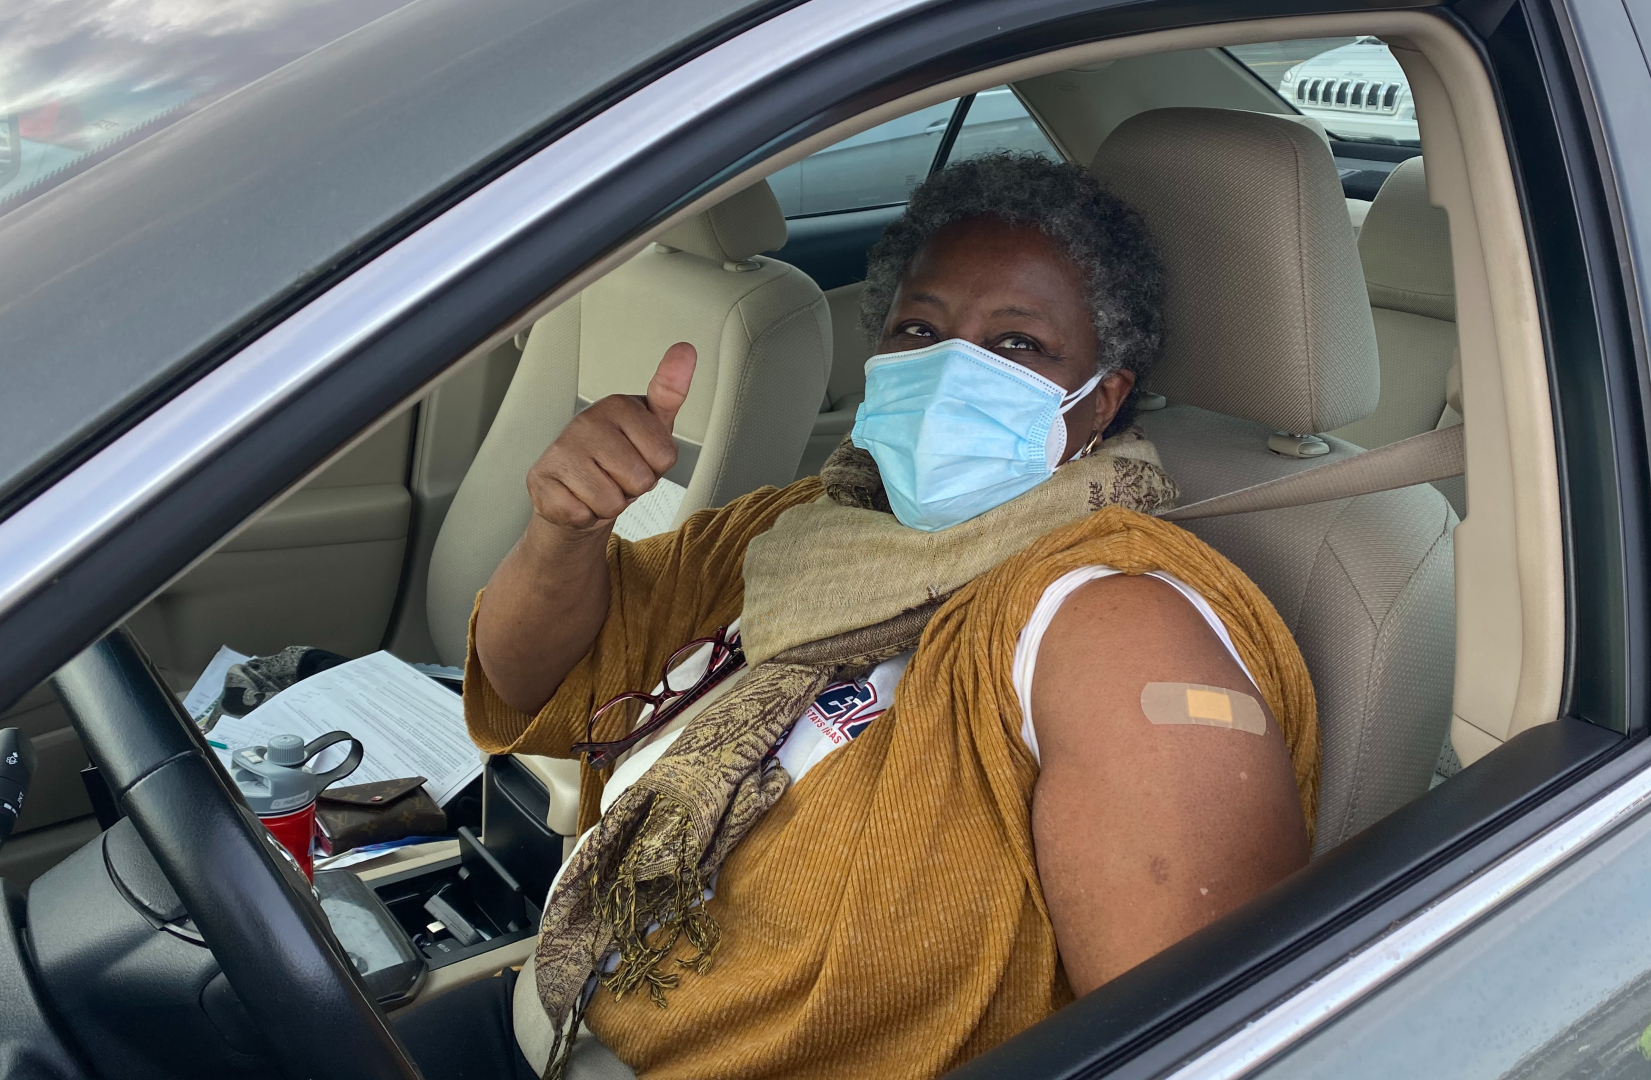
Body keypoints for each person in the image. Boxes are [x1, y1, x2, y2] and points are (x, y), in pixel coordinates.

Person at [393, 153, 1317, 1080]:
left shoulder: (1110, 622)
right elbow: (531, 684)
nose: (951, 367)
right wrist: (567, 531)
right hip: (557, 1014)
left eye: (1017, 345)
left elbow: (1198, 1048)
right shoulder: (797, 530)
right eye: (920, 327)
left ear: (1101, 399)